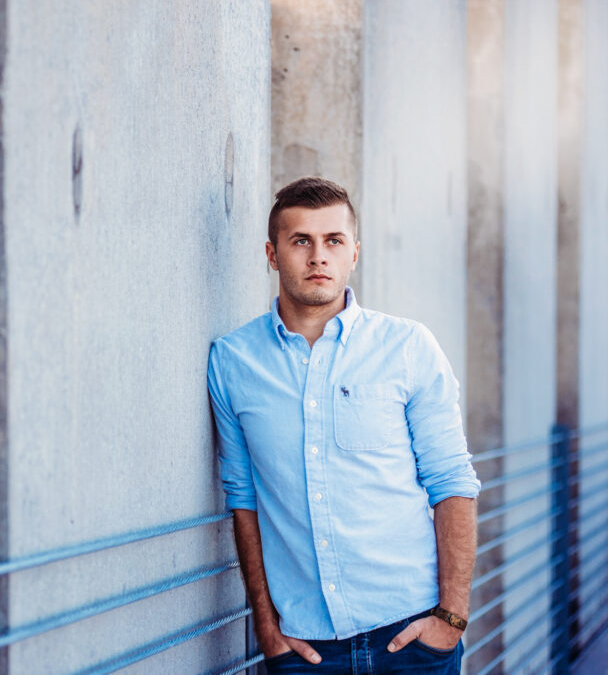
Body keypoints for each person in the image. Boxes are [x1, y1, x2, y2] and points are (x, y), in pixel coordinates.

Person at [206, 177, 481, 674]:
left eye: (333, 241)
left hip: (413, 636)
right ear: (272, 254)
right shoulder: (232, 362)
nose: (318, 257)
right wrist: (265, 625)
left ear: (354, 252)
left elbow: (451, 481)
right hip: (304, 648)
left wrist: (451, 618)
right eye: (300, 241)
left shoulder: (408, 348)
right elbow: (242, 495)